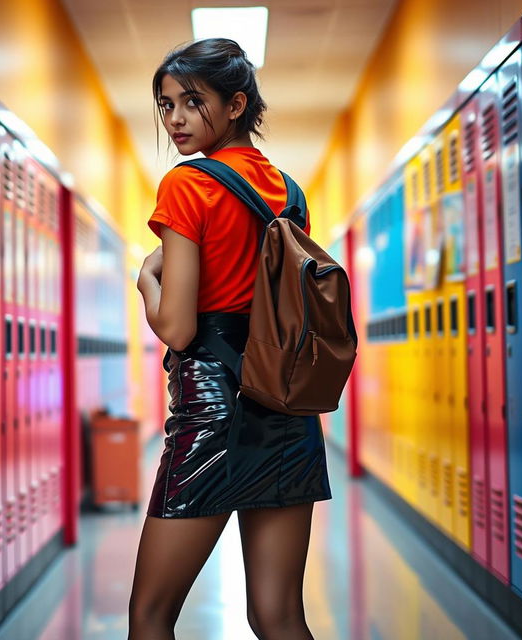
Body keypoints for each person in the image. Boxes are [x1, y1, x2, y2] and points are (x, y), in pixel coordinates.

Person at [129, 38, 332, 640]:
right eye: (166, 106)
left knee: (150, 614)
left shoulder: (186, 185)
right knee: (278, 615)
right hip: (287, 408)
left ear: (236, 103)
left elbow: (178, 325)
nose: (176, 119)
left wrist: (147, 280)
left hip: (213, 413)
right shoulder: (288, 193)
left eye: (193, 102)